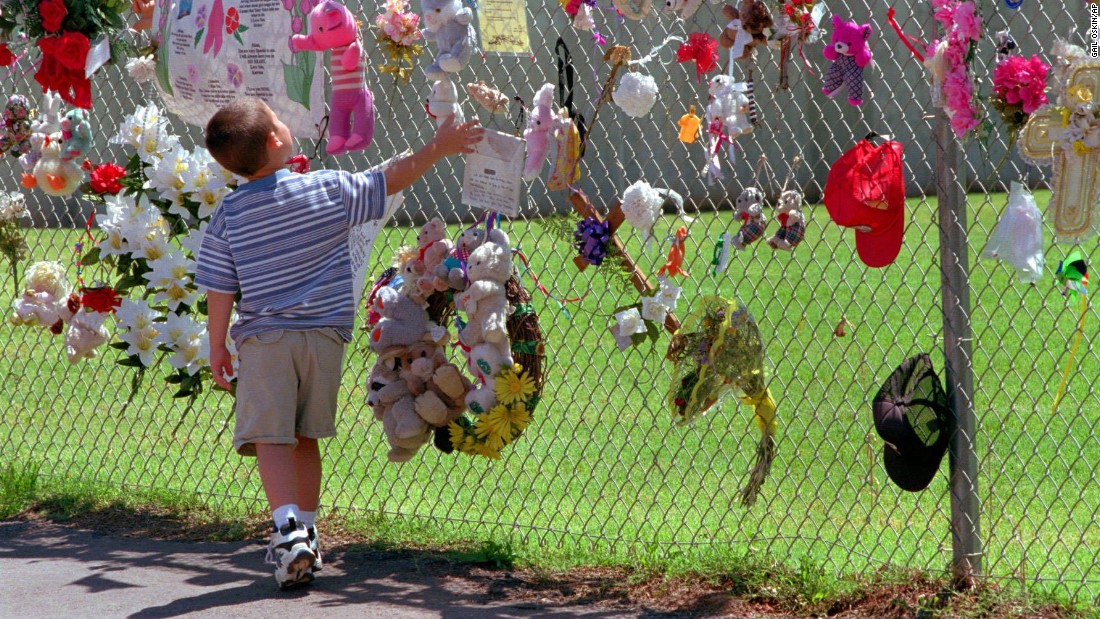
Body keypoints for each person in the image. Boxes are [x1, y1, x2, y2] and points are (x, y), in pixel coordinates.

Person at [195, 97, 483, 589]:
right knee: (305, 435)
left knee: (270, 437)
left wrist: (217, 344)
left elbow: (220, 286)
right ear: (276, 141)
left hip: (265, 339)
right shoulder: (327, 189)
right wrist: (440, 147)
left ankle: (288, 532)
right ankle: (305, 529)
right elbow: (388, 180)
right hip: (325, 339)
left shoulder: (231, 213)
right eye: (281, 121)